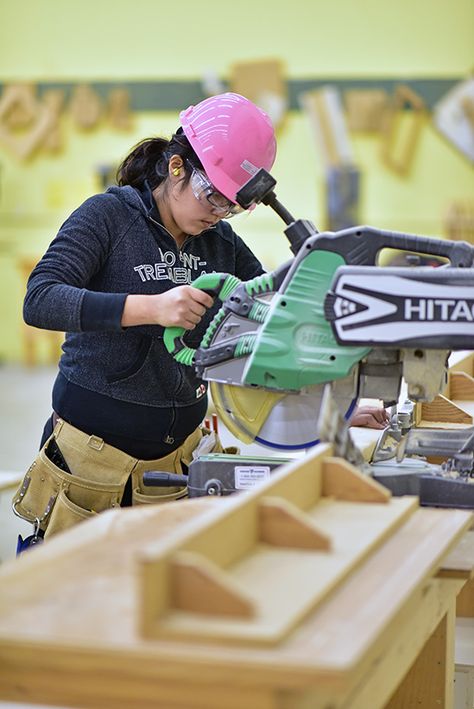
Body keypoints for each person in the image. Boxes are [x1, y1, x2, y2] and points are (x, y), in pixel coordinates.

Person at [15, 92, 387, 544]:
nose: (218, 214)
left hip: (179, 463)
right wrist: (148, 308)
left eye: (231, 206)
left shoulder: (221, 243)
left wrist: (330, 407)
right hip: (91, 467)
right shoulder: (108, 217)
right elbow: (41, 299)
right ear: (176, 167)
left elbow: (273, 326)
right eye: (212, 196)